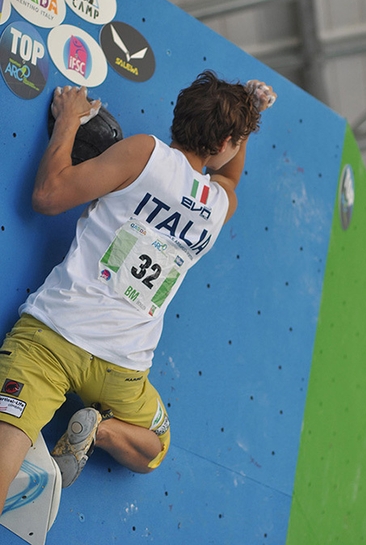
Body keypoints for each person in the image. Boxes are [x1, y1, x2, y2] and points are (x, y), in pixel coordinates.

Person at [0, 70, 276, 513]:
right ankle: (101, 431)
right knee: (155, 447)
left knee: (4, 448)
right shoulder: (217, 207)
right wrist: (250, 113)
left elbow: (48, 195)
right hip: (120, 370)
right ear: (227, 144)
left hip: (51, 337)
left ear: (180, 113)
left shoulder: (146, 153)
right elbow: (231, 178)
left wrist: (70, 116)